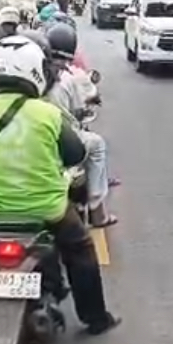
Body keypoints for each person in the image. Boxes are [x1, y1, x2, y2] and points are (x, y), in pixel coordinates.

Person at [0, 35, 120, 335]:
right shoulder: (47, 114)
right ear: (34, 71)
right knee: (80, 249)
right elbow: (76, 154)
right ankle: (95, 319)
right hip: (47, 210)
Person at [44, 23, 117, 227]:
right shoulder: (73, 75)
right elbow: (90, 97)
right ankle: (97, 211)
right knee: (97, 145)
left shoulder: (36, 73)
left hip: (34, 136)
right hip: (64, 137)